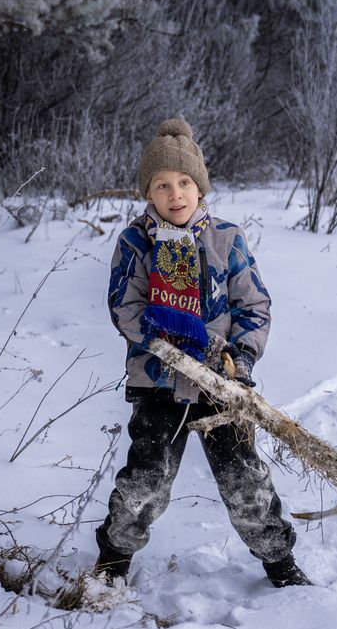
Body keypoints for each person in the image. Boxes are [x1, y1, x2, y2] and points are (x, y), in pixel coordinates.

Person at [96, 117, 311, 589]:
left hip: (223, 385)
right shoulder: (136, 242)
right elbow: (123, 306)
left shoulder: (227, 239)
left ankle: (280, 563)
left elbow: (253, 306)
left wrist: (241, 361)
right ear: (148, 194)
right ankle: (112, 562)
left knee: (246, 483)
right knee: (146, 482)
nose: (176, 194)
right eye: (162, 185)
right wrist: (164, 340)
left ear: (200, 186)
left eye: (185, 182)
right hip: (158, 383)